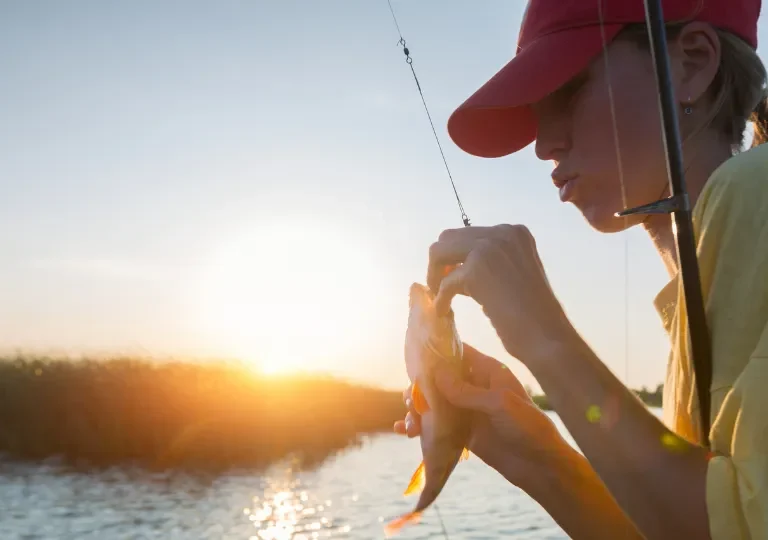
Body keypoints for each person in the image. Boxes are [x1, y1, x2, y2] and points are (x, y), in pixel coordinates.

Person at [393, 0, 768, 538]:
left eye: (568, 91)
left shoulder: (756, 186)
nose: (543, 145)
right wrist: (539, 456)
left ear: (692, 64)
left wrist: (544, 337)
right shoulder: (701, 288)